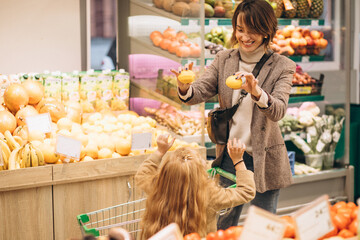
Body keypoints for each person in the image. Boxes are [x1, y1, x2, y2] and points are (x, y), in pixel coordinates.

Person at [171, 0, 296, 230]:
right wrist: (184, 86)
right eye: (240, 29)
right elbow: (200, 91)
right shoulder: (224, 59)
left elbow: (278, 110)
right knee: (223, 226)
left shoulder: (283, 66)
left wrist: (257, 92)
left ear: (267, 31)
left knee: (263, 227)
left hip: (264, 158)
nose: (245, 37)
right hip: (230, 155)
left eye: (253, 31)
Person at [135, 134, 255, 239]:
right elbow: (246, 191)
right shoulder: (209, 194)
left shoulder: (159, 186)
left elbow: (142, 174)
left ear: (166, 172)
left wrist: (160, 152)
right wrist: (238, 160)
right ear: (200, 174)